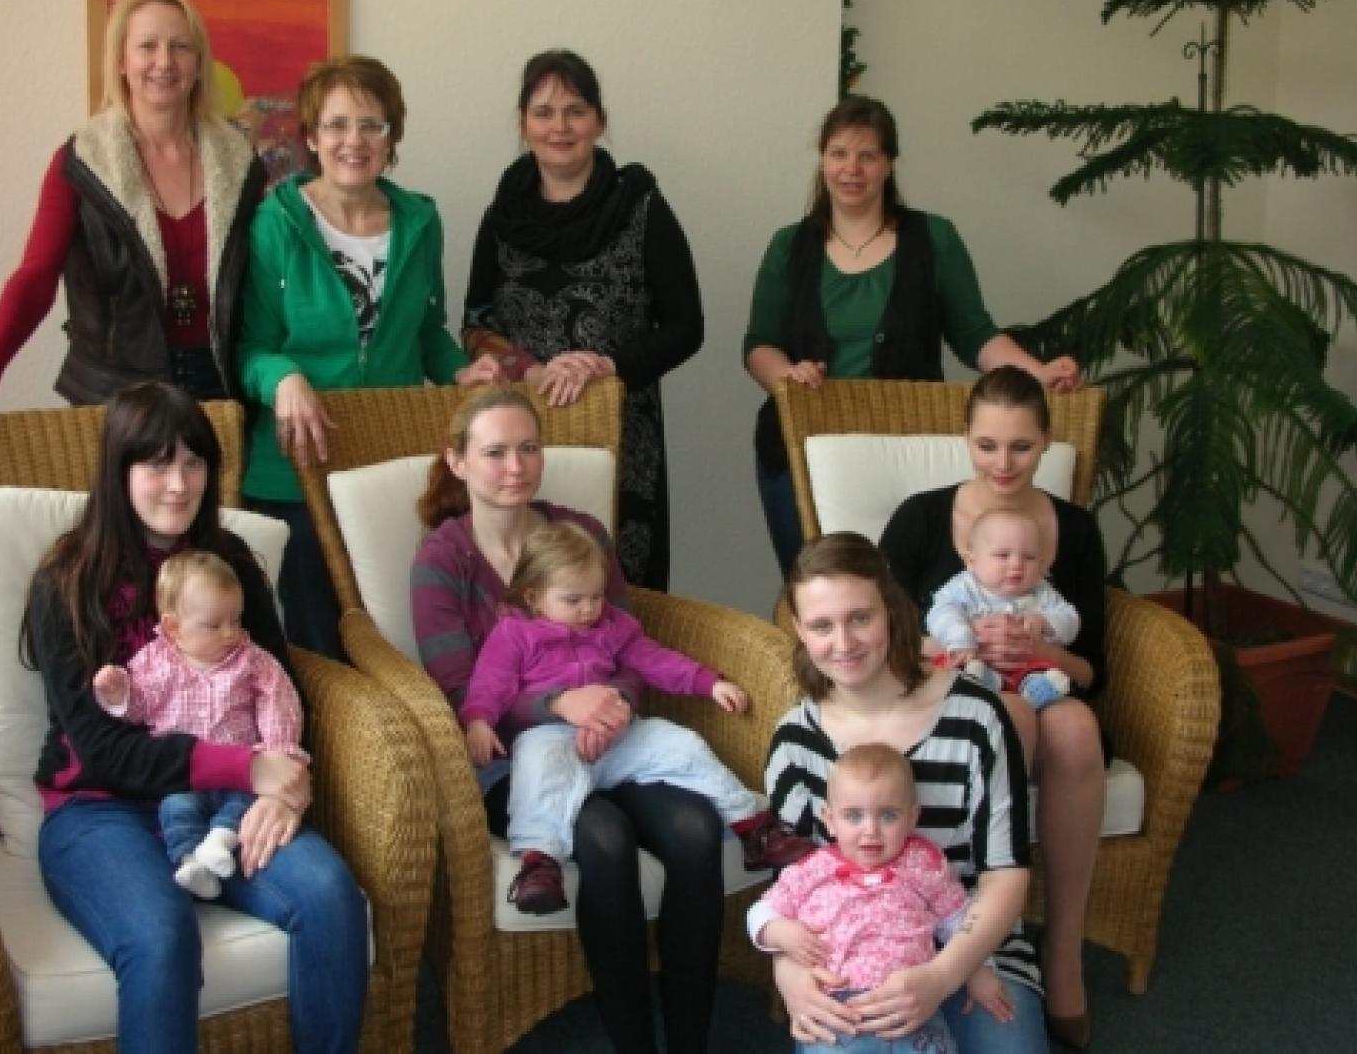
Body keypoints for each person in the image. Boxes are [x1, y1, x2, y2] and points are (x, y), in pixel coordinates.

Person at [25, 381, 366, 1053]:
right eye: (157, 464)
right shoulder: (67, 580)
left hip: (227, 806)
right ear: (119, 470)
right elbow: (100, 749)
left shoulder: (231, 564)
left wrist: (282, 787)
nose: (179, 484)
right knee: (161, 936)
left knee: (330, 894)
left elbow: (278, 686)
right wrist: (250, 768)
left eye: (193, 462)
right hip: (100, 809)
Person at [411, 386, 727, 1053]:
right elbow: (459, 690)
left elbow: (628, 644)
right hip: (513, 763)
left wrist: (615, 706)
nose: (515, 466)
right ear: (458, 461)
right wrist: (558, 704)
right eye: (495, 452)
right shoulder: (443, 559)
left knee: (697, 828)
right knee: (606, 840)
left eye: (528, 447)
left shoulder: (581, 533)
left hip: (611, 739)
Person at [0, 0, 267, 439]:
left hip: (226, 398)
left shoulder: (240, 163)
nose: (164, 61)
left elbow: (268, 284)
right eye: (147, 46)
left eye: (181, 46)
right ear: (121, 61)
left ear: (198, 63)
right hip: (116, 402)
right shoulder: (81, 163)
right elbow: (34, 280)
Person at [742, 94, 1082, 575]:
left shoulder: (934, 239)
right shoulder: (788, 246)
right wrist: (787, 376)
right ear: (822, 160)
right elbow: (758, 344)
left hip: (907, 450)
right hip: (797, 446)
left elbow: (976, 334)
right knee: (816, 588)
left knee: (907, 586)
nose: (851, 169)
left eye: (867, 155)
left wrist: (1037, 373)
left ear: (889, 163)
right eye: (839, 153)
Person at [235, 54, 498, 658]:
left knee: (396, 635)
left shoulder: (420, 221)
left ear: (391, 137)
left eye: (371, 125)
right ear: (311, 137)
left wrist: (460, 369)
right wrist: (284, 378)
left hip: (389, 461)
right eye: (336, 124)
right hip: (295, 466)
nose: (353, 140)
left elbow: (427, 330)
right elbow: (250, 349)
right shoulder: (275, 222)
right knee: (317, 646)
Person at [878, 366, 1107, 1051]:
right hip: (946, 690)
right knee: (1014, 717)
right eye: (986, 445)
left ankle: (1061, 949)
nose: (1002, 463)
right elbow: (880, 632)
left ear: (1047, 442)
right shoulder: (921, 517)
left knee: (1075, 723)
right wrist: (962, 645)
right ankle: (975, 931)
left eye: (1021, 446)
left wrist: (1039, 646)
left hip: (1045, 684)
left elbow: (1092, 666)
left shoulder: (1076, 529)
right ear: (965, 439)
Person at [765, 533, 1043, 1054]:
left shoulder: (977, 717)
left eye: (860, 618)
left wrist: (941, 975)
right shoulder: (794, 745)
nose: (843, 643)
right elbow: (792, 890)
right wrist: (789, 974)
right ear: (800, 631)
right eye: (822, 626)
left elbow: (1004, 872)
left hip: (975, 949)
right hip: (848, 960)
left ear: (891, 611)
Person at [462, 520, 810, 915]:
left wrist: (708, 683)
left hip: (617, 734)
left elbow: (655, 660)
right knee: (538, 769)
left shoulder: (612, 626)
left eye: (596, 596)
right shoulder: (513, 635)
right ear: (534, 596)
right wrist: (479, 721)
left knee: (683, 745)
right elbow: (490, 684)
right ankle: (539, 863)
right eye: (573, 600)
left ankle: (754, 830)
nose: (589, 609)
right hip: (551, 734)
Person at [461, 49, 704, 591]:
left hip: (623, 438)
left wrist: (606, 365)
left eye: (575, 111)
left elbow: (687, 327)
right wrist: (529, 369)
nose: (560, 126)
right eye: (544, 112)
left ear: (599, 120)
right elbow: (474, 324)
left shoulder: (640, 206)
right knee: (526, 586)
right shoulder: (503, 215)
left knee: (619, 591)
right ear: (523, 124)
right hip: (519, 437)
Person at [750, 742, 1012, 1054]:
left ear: (912, 817)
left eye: (888, 815)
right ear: (830, 819)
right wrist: (779, 932)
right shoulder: (812, 869)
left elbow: (959, 919)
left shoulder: (923, 863)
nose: (871, 830)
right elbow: (760, 912)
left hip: (911, 1001)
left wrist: (978, 968)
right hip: (836, 1007)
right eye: (853, 816)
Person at [92, 549, 309, 900]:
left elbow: (279, 703)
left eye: (236, 620)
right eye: (214, 625)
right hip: (182, 780)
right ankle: (192, 864)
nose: (230, 633)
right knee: (174, 811)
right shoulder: (154, 662)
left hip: (243, 775)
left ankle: (219, 844)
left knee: (242, 807)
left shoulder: (252, 661)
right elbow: (138, 710)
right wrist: (118, 693)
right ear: (172, 628)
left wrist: (279, 754)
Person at [926, 509, 1080, 708]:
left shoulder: (1042, 591)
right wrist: (961, 638)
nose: (1017, 564)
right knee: (952, 667)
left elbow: (1071, 619)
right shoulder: (963, 587)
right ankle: (982, 681)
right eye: (1003, 555)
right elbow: (940, 613)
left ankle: (1034, 691)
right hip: (975, 661)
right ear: (972, 561)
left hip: (1024, 666)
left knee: (1043, 669)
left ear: (1042, 563)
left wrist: (1046, 623)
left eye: (1029, 557)